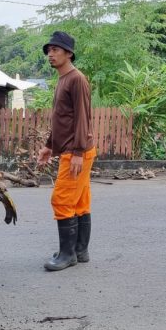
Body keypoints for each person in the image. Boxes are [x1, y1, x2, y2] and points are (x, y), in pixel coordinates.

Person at [36, 31, 96, 272]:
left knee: (61, 200)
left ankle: (67, 255)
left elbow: (83, 117)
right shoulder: (63, 79)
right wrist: (49, 146)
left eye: (56, 50)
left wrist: (78, 152)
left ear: (68, 53)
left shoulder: (76, 79)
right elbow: (62, 119)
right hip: (72, 148)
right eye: (49, 51)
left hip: (76, 150)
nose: (50, 54)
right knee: (79, 202)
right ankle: (79, 251)